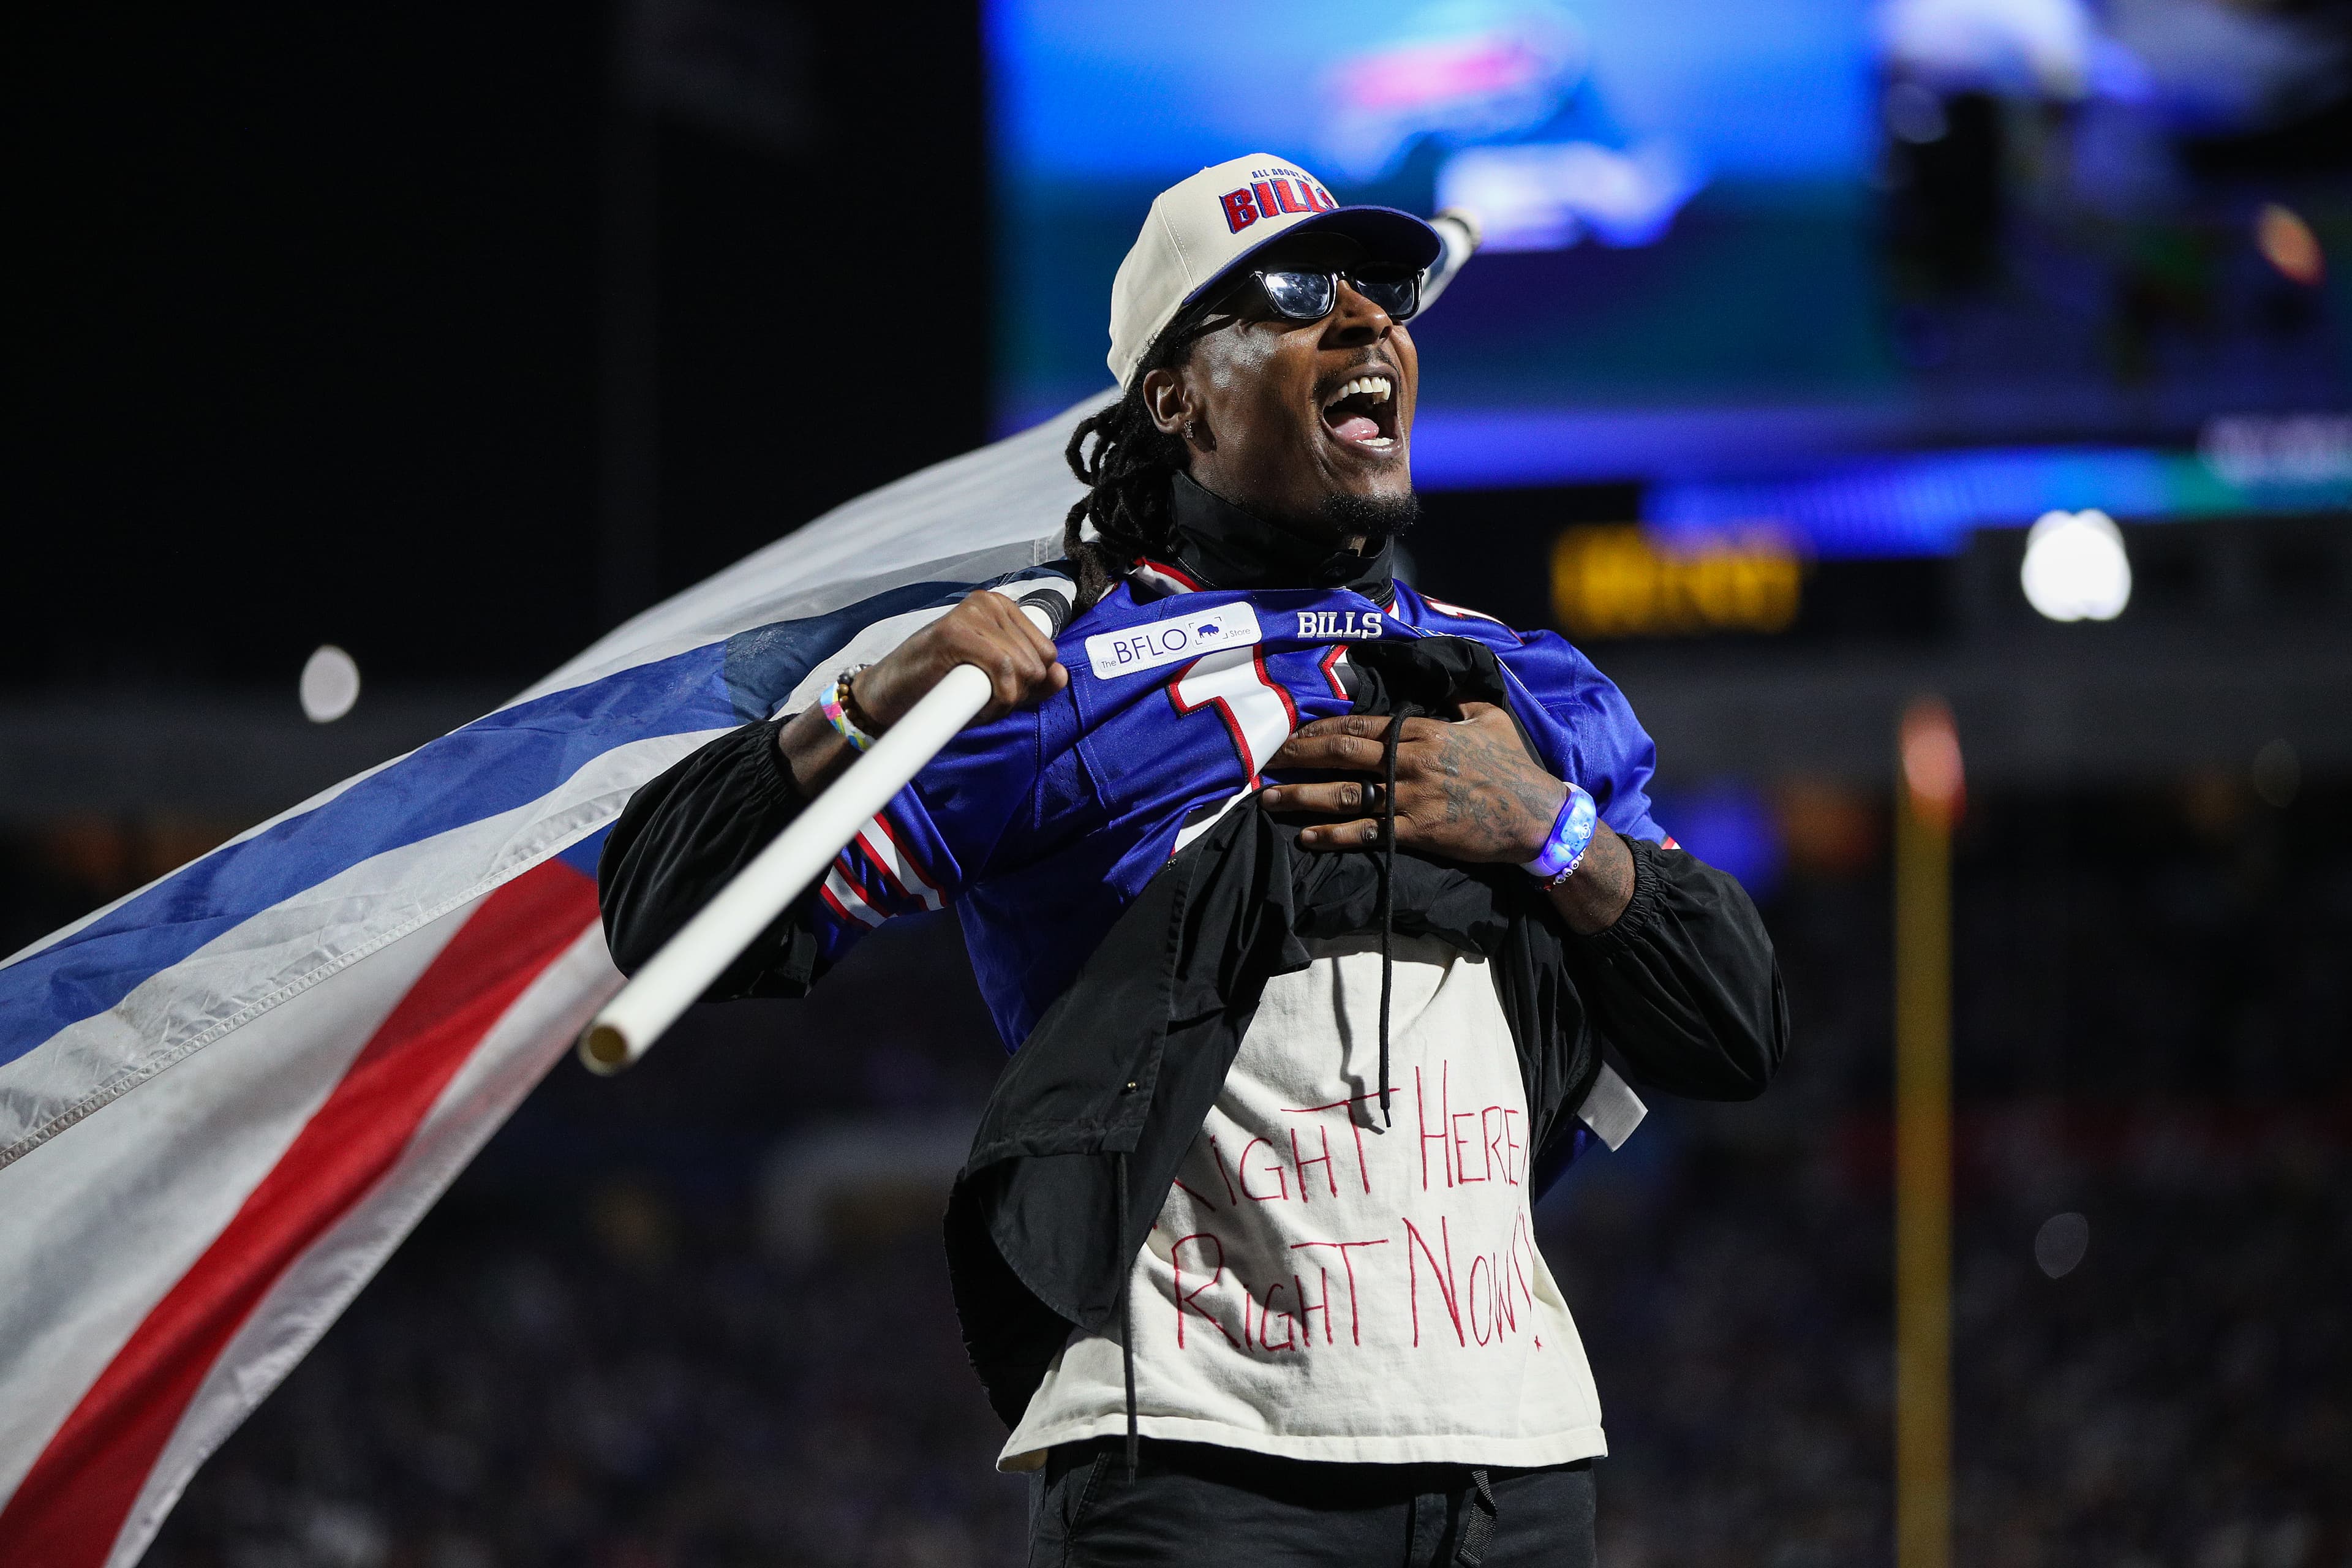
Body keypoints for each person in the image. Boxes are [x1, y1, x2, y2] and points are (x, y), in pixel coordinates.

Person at [599, 153, 1787, 1567]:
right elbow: (663, 911)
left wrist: (1551, 828)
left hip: (1514, 1469)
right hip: (1199, 1472)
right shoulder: (1049, 688)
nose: (1364, 324)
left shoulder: (1529, 690)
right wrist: (862, 707)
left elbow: (1735, 1023)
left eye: (1382, 291)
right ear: (1177, 399)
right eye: (1295, 294)